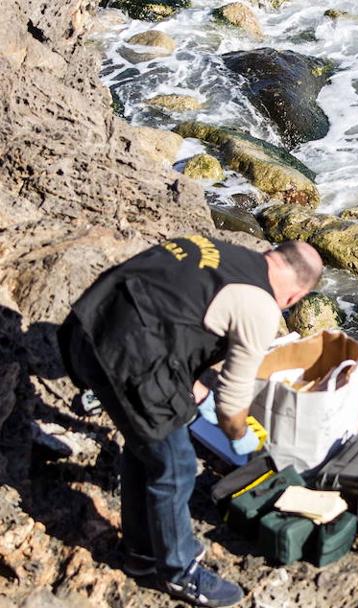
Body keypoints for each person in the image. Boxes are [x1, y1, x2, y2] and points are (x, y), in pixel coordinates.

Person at [58, 236, 323, 607]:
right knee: (178, 465)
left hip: (85, 326)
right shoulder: (261, 306)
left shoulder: (218, 250)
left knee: (148, 445)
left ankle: (141, 553)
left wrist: (192, 386)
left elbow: (173, 310)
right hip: (126, 357)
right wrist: (241, 438)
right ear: (294, 298)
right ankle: (179, 570)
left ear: (270, 255)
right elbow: (232, 401)